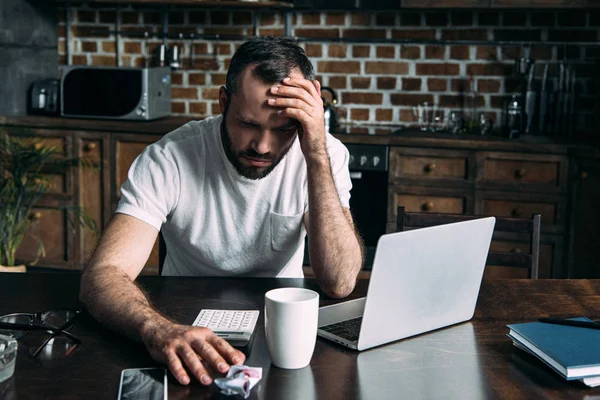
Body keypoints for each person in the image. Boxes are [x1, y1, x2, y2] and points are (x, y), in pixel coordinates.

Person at [79, 36, 364, 386]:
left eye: (283, 129)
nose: (262, 145)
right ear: (223, 101)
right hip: (181, 324)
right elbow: (103, 274)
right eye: (247, 123)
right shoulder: (169, 158)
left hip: (282, 331)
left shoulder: (325, 154)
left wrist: (316, 154)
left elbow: (339, 281)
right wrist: (156, 330)